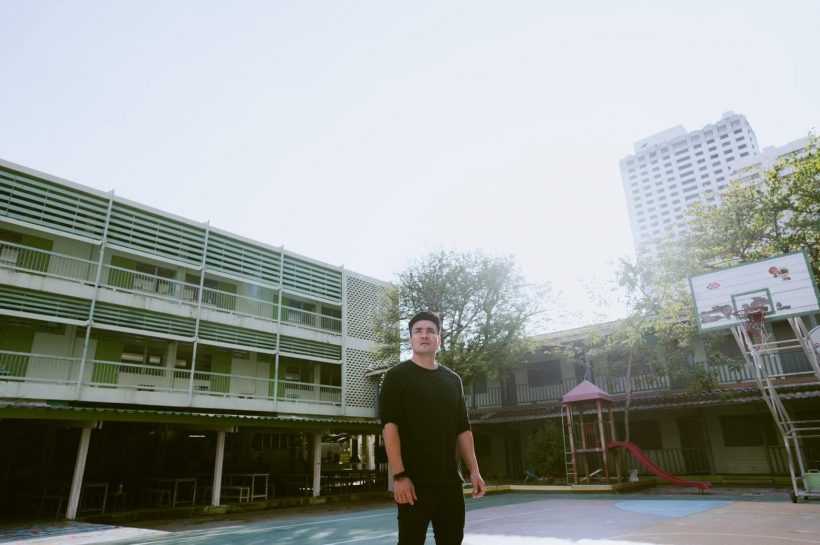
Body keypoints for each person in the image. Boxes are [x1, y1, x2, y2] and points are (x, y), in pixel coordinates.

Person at [378, 310, 486, 545]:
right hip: (413, 484)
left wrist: (474, 470)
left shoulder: (453, 380)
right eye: (418, 331)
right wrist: (400, 476)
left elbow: (463, 428)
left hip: (450, 483)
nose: (424, 335)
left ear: (439, 338)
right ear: (410, 339)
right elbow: (390, 428)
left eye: (430, 331)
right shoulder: (396, 376)